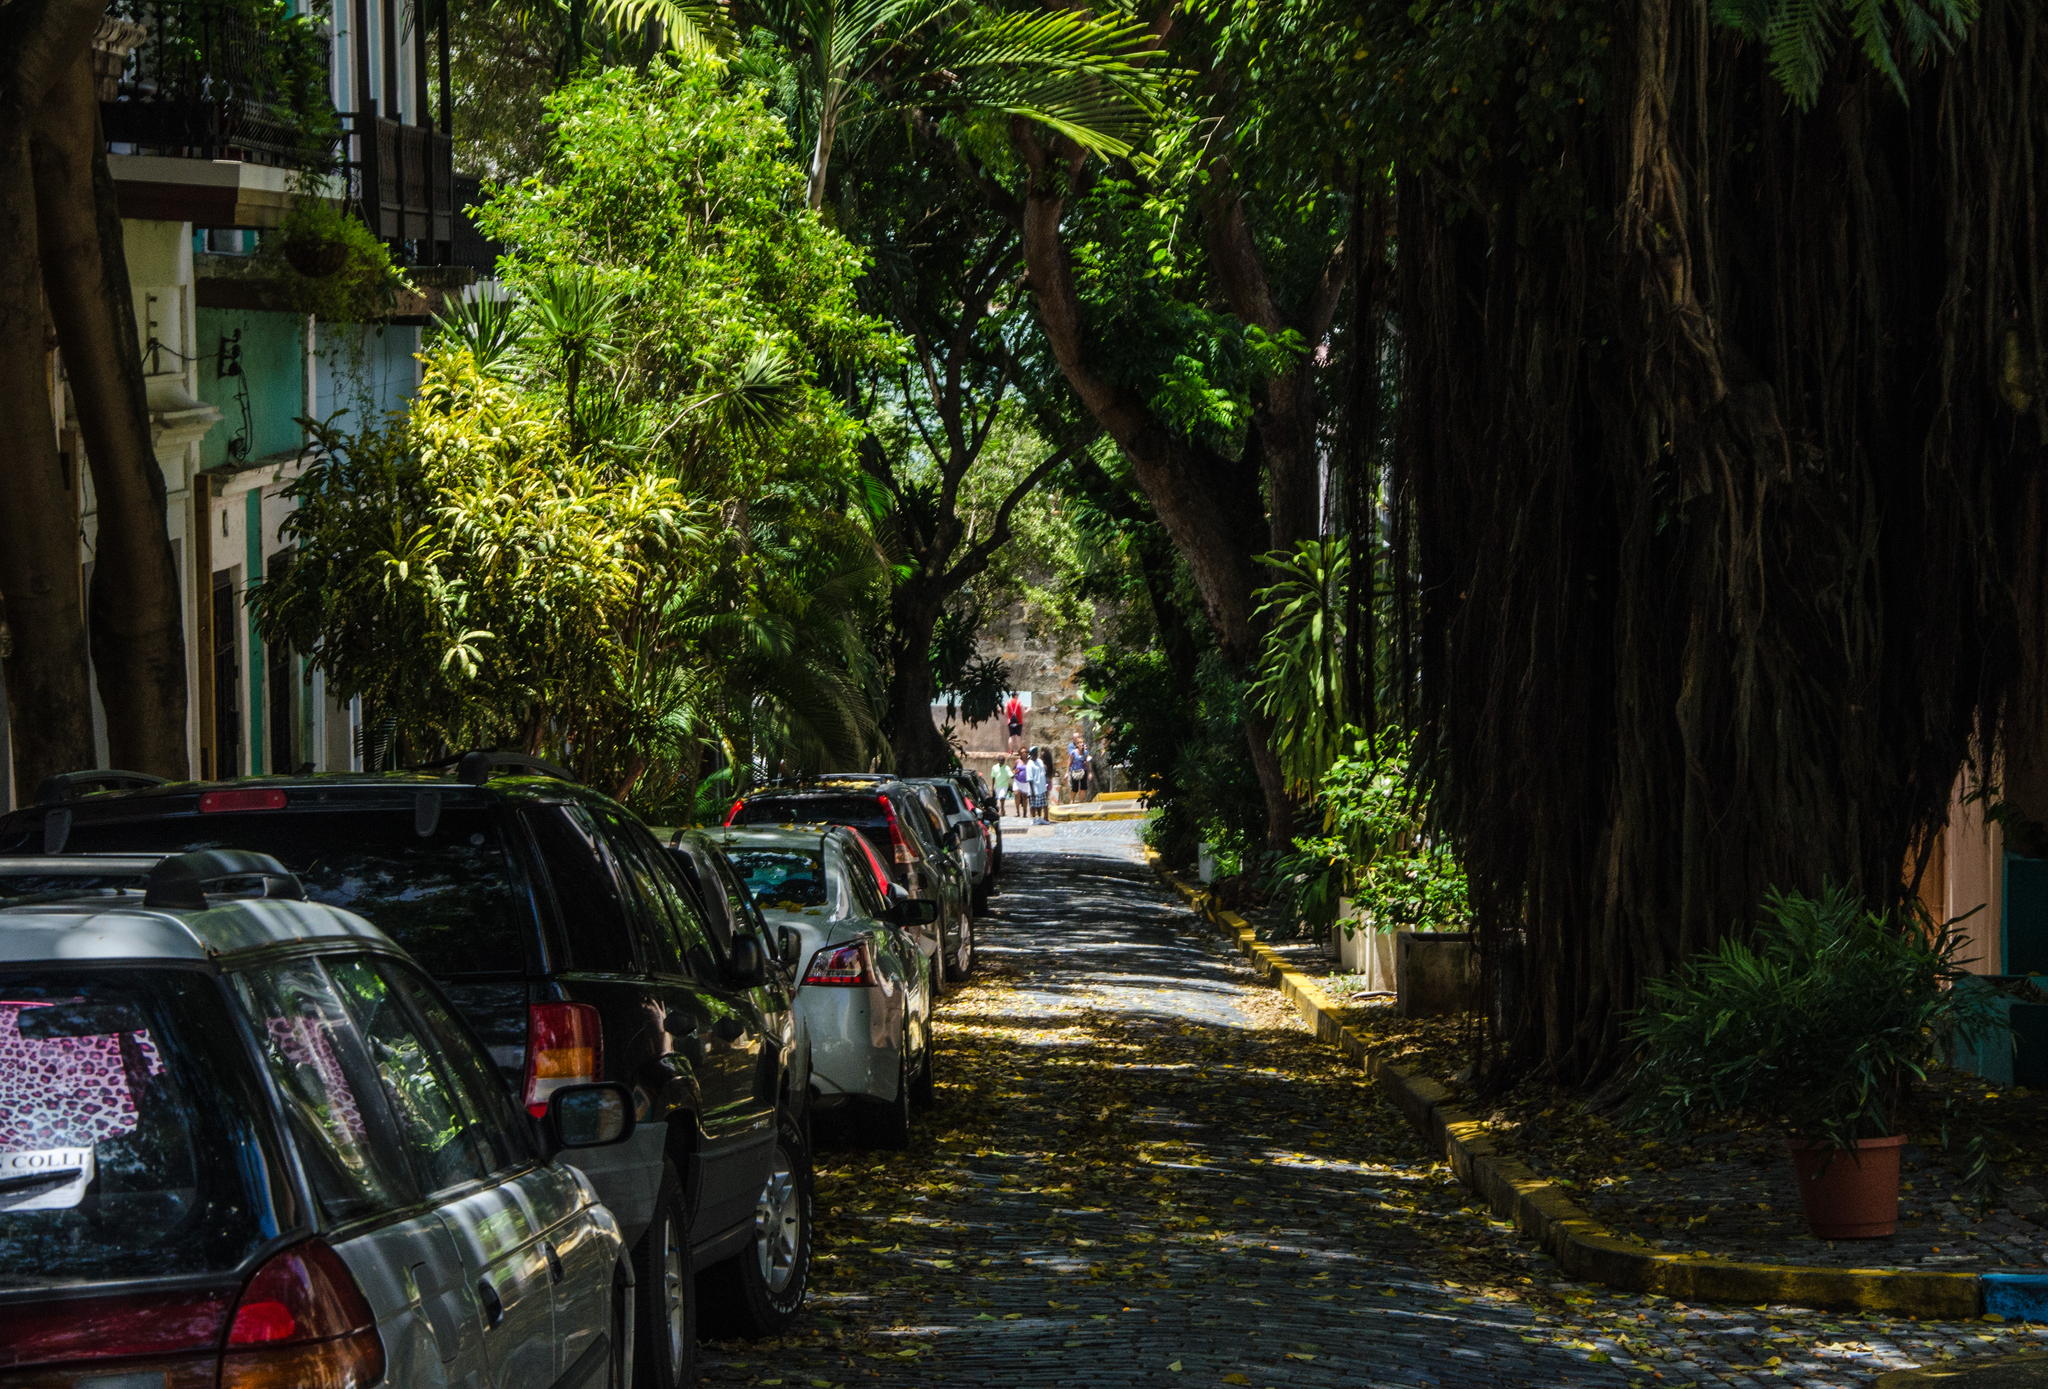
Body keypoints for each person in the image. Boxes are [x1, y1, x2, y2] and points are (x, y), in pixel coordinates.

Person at [1024, 747, 1050, 824]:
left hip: (1042, 788)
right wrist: (1032, 792)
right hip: (1034, 789)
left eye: (1036, 754)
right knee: (1034, 805)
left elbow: (1043, 772)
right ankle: (1034, 819)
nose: (1035, 755)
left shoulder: (1039, 761)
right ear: (1031, 754)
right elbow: (1030, 779)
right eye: (1034, 754)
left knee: (1042, 804)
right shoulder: (1029, 764)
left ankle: (1040, 819)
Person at [1067, 735, 1090, 804]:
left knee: (1083, 787)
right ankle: (1072, 800)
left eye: (1082, 742)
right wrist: (1067, 773)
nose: (1081, 744)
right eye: (1079, 743)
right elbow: (1069, 762)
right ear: (1077, 745)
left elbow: (1087, 762)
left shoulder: (1085, 752)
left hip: (1084, 771)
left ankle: (1081, 802)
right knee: (1075, 788)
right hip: (1075, 771)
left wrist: (1089, 772)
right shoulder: (1073, 752)